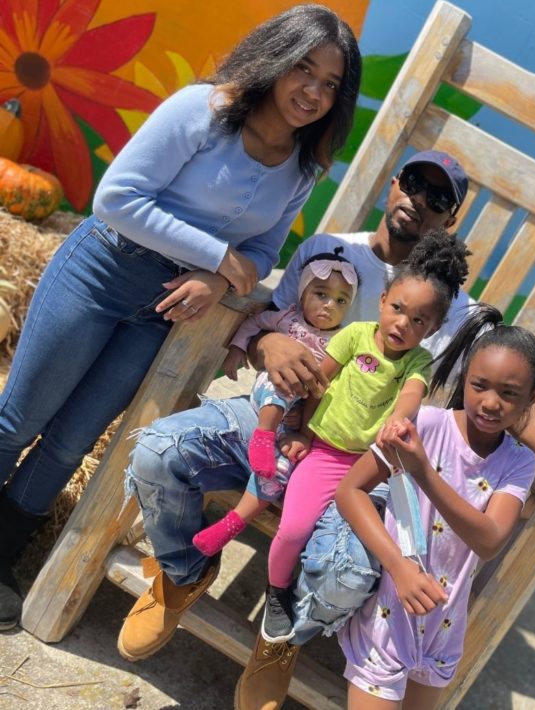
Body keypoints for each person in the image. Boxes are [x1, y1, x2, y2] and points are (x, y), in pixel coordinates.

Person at [115, 150, 535, 708]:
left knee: (350, 571)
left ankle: (281, 636)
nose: (419, 201)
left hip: (363, 468)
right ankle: (184, 573)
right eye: (414, 183)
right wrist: (266, 342)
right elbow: (265, 319)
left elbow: (516, 400)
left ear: (448, 221)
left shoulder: (459, 315)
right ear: (393, 183)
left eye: (439, 199)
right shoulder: (329, 250)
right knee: (161, 452)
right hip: (283, 420)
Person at [0, 3, 361, 632]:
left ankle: (1, 557)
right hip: (102, 271)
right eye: (304, 69)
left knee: (70, 441)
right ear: (274, 59)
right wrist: (216, 255)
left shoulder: (304, 167)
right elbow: (116, 198)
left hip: (163, 314)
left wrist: (218, 276)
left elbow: (262, 253)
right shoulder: (205, 110)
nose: (314, 91)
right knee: (19, 419)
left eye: (332, 84)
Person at [242, 229, 468, 646]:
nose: (404, 323)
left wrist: (398, 422)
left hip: (369, 471)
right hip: (324, 454)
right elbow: (316, 382)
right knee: (292, 531)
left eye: (419, 320)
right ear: (382, 301)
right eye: (398, 308)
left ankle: (307, 625)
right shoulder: (355, 335)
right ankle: (276, 592)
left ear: (433, 328)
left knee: (347, 553)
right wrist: (297, 431)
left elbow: (412, 394)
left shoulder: (416, 361)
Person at [335, 304, 535, 706]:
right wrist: (398, 567)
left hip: (443, 632)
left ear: (532, 396)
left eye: (509, 393)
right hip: (389, 613)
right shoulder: (426, 426)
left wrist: (423, 472)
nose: (490, 402)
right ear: (465, 378)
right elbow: (350, 492)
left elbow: (489, 540)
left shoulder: (519, 461)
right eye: (479, 385)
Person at [192, 247, 359, 555]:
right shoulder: (288, 320)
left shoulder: (342, 342)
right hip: (269, 394)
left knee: (278, 471)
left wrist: (304, 429)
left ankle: (230, 524)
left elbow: (331, 389)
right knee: (280, 379)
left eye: (340, 300)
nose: (328, 305)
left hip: (293, 416)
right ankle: (262, 435)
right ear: (302, 293)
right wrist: (237, 349)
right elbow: (255, 324)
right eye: (321, 294)